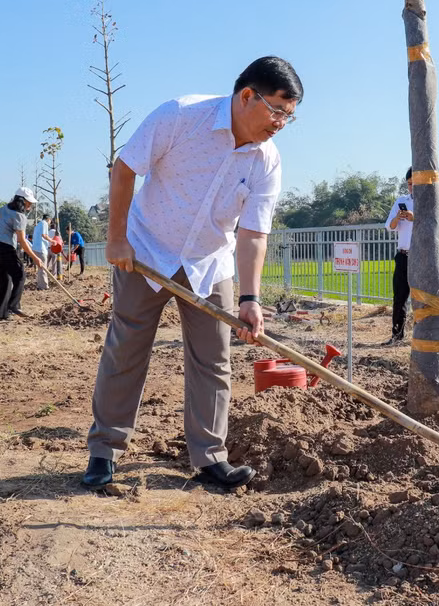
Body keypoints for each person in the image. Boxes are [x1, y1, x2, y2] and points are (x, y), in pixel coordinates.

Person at [82, 56, 303, 492]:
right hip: (144, 251)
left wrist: (250, 299)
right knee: (126, 349)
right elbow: (125, 170)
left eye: (288, 117)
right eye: (276, 111)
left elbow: (253, 234)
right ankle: (104, 451)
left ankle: (210, 459)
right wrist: (117, 238)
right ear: (246, 96)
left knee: (213, 359)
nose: (279, 123)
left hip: (209, 262)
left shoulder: (267, 161)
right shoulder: (181, 116)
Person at [0, 187, 43, 320]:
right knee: (20, 274)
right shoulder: (20, 217)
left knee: (5, 279)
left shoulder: (6, 209)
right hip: (6, 247)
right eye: (28, 202)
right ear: (21, 202)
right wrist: (35, 258)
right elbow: (22, 242)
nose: (30, 205)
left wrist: (5, 221)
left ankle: (2, 314)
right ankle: (13, 305)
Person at [383, 166, 414, 345]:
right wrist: (397, 218)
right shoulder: (401, 201)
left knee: (421, 298)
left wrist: (413, 217)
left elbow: (432, 222)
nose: (411, 188)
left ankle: (421, 337)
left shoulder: (429, 200)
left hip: (421, 257)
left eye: (414, 184)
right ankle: (397, 336)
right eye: (409, 184)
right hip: (403, 256)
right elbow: (389, 226)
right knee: (399, 297)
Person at [32, 214, 52, 289]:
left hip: (36, 248)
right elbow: (44, 235)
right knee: (43, 268)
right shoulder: (44, 223)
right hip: (41, 248)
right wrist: (52, 241)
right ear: (48, 219)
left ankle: (40, 285)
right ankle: (44, 286)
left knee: (40, 268)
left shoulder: (38, 225)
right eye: (50, 221)